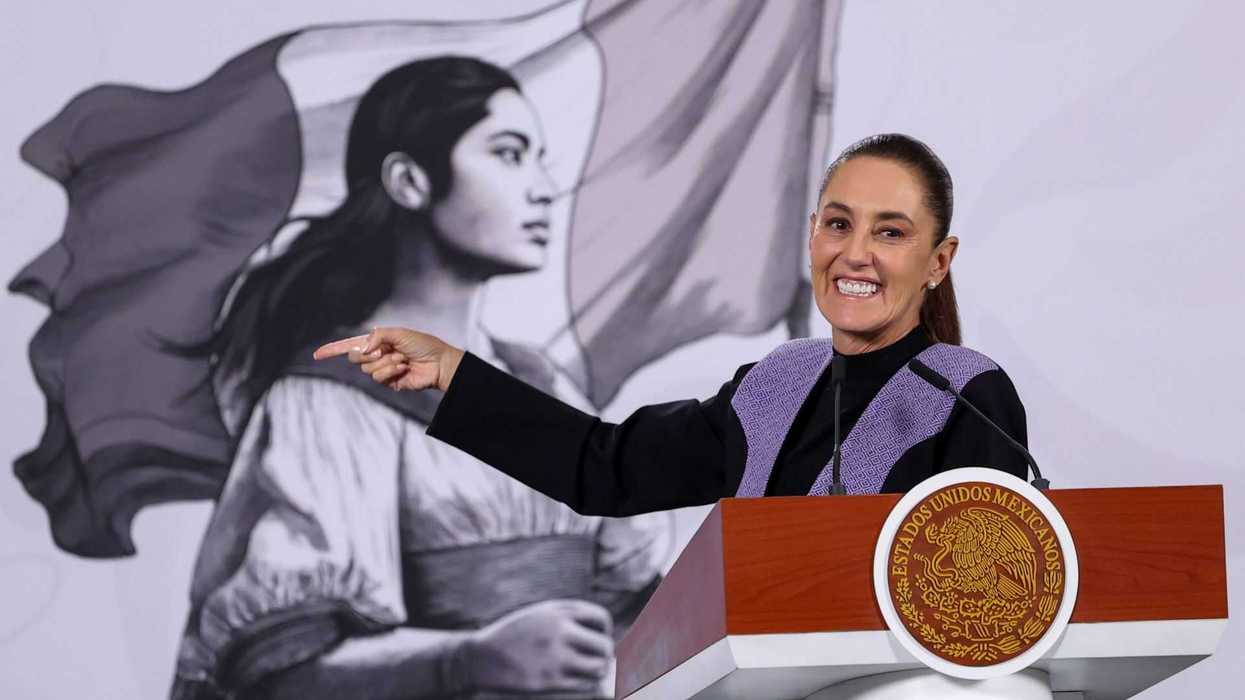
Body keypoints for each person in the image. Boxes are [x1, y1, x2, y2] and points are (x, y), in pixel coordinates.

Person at [173, 57, 667, 699]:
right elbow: (276, 667)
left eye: (540, 157)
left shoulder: (542, 385)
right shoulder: (329, 401)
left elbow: (633, 598)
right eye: (509, 154)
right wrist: (467, 661)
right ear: (409, 181)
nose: (544, 187)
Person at [315, 134, 1030, 516]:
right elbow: (606, 469)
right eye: (838, 224)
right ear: (811, 234)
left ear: (938, 261)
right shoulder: (774, 387)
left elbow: (982, 601)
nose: (855, 254)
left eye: (891, 233)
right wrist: (451, 372)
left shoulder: (967, 398)